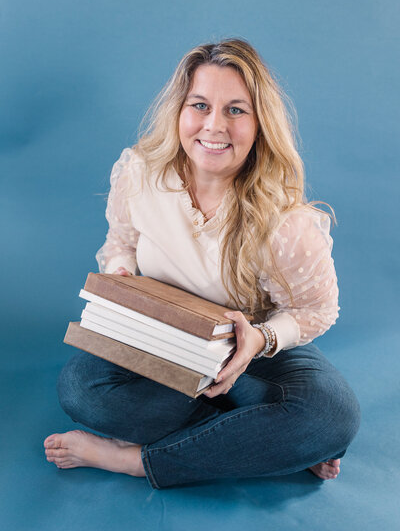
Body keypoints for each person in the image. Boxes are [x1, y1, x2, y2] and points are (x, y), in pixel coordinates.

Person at [44, 38, 360, 489]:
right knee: (81, 388)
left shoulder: (286, 223)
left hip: (245, 351)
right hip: (161, 342)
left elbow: (316, 311)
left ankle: (136, 460)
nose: (214, 126)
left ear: (259, 124)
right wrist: (120, 275)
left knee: (332, 417)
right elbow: (122, 243)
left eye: (236, 110)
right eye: (200, 105)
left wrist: (261, 338)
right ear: (179, 110)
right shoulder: (140, 174)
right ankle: (265, 443)